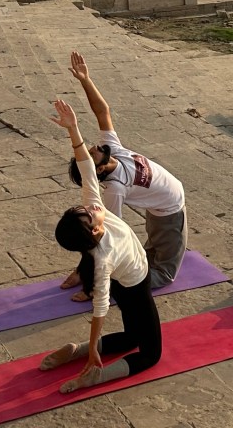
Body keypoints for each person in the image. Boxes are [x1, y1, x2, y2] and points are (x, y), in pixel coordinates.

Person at [44, 98, 162, 394]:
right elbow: (99, 309)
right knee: (150, 353)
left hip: (125, 280)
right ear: (95, 229)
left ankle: (76, 350)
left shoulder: (93, 223)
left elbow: (86, 168)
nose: (93, 207)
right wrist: (96, 356)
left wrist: (73, 130)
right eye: (90, 213)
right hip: (135, 282)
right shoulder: (103, 256)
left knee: (131, 336)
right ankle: (95, 372)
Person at [60, 51, 187, 298]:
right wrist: (91, 280)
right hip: (170, 210)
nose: (94, 148)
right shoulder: (115, 188)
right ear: (97, 169)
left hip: (157, 208)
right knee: (165, 273)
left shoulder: (113, 149)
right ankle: (118, 285)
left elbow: (102, 111)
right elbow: (108, 235)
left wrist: (85, 80)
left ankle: (104, 276)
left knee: (148, 253)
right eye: (91, 153)